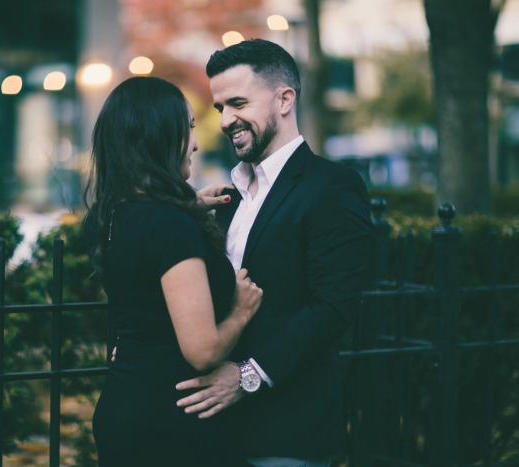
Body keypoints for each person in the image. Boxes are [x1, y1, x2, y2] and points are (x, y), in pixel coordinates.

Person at [175, 39, 372, 467]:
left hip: (288, 432)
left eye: (239, 103)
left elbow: (334, 308)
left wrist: (246, 377)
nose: (226, 120)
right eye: (219, 108)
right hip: (214, 433)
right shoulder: (227, 198)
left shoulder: (332, 187)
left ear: (285, 99)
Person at [83, 76, 263, 467]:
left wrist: (187, 208)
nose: (195, 143)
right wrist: (241, 312)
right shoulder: (168, 227)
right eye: (188, 129)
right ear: (159, 136)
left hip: (122, 406)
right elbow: (202, 351)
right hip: (172, 422)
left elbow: (143, 275)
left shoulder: (106, 217)